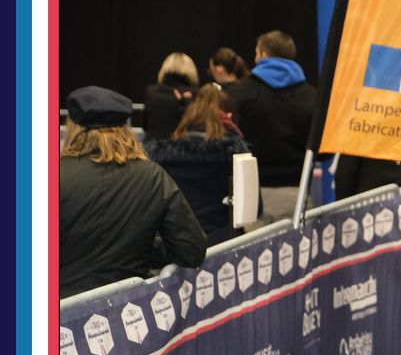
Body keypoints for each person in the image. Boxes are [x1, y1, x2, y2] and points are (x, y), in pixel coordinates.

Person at [59, 85, 207, 298]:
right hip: (129, 306)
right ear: (125, 129)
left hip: (62, 307)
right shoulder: (153, 176)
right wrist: (141, 246)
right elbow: (191, 250)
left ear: (73, 128)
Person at [224, 30, 318, 223]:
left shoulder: (237, 93)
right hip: (297, 193)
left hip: (251, 194)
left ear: (263, 54)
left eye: (256, 53)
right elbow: (323, 150)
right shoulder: (313, 97)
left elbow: (225, 142)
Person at [144, 83, 253, 246]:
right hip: (223, 241)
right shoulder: (235, 155)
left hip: (177, 243)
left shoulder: (162, 155)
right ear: (229, 116)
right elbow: (253, 207)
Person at [142, 51, 200, 141]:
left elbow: (145, 125)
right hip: (183, 146)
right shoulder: (196, 94)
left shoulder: (151, 92)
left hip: (153, 145)